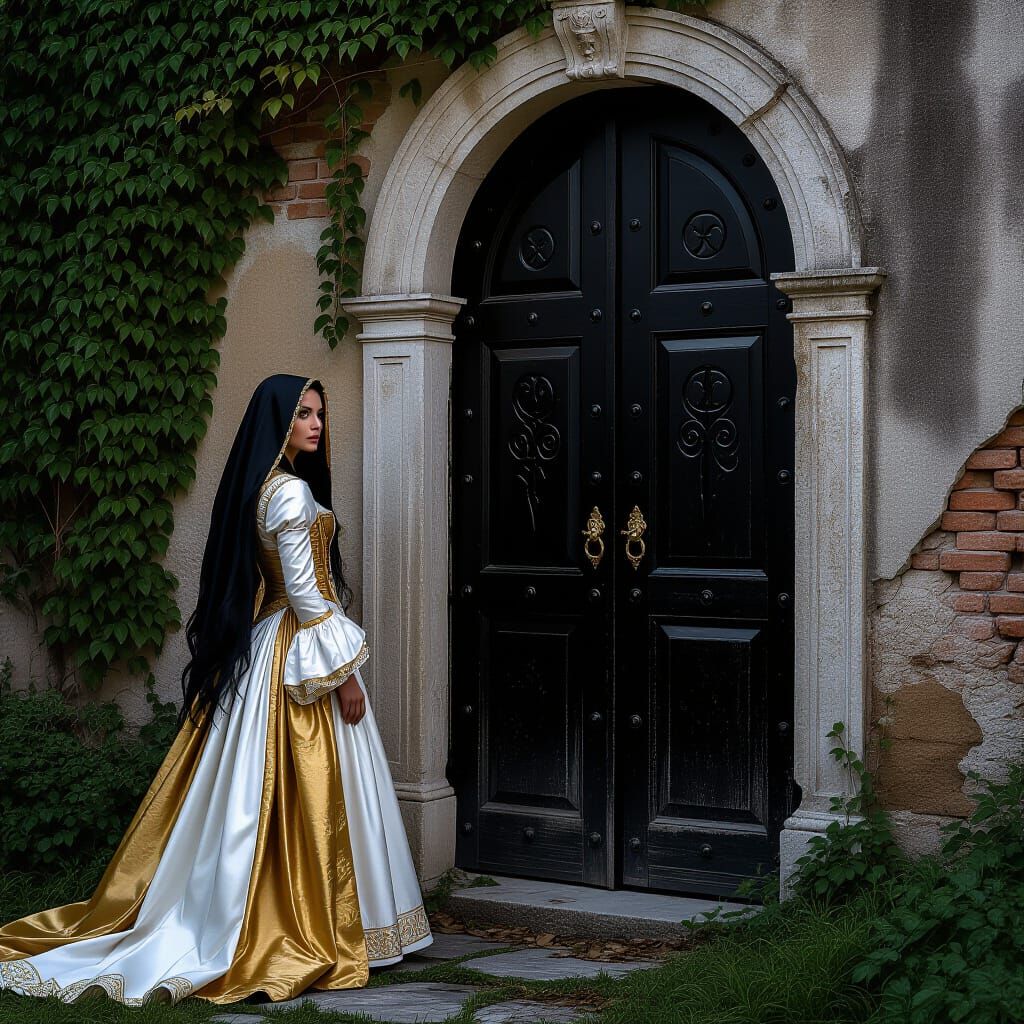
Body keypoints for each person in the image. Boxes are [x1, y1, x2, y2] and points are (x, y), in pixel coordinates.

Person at [0, 374, 431, 1005]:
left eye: (319, 415)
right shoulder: (285, 493)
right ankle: (305, 923)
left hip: (275, 645)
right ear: (279, 425)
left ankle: (312, 914)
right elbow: (310, 600)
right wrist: (343, 680)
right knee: (300, 790)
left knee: (259, 796)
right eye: (304, 416)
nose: (316, 424)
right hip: (298, 650)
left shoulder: (274, 487)